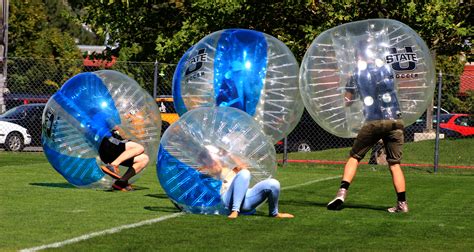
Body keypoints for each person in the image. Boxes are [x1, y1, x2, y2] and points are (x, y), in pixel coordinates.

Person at [327, 42, 408, 213]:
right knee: (394, 164)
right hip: (396, 120)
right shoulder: (387, 70)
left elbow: (348, 101)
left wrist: (347, 96)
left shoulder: (356, 73)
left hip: (374, 121)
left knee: (355, 157)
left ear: (359, 56)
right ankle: (402, 204)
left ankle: (341, 192)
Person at [198, 146, 294, 219]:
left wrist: (229, 153)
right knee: (244, 173)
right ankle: (235, 211)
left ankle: (274, 213)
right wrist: (212, 163)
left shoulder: (229, 167)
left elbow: (243, 167)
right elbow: (206, 171)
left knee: (273, 183)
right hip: (227, 199)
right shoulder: (207, 169)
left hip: (246, 198)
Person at [99, 125, 149, 191]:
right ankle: (113, 166)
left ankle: (121, 183)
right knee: (139, 148)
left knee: (144, 159)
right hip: (107, 143)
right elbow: (114, 126)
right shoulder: (102, 117)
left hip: (112, 152)